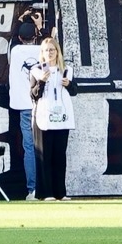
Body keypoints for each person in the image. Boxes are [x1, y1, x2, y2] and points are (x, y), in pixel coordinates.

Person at [27, 36, 74, 201]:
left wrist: (70, 84)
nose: (50, 53)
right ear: (42, 53)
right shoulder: (36, 70)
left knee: (59, 156)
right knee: (44, 156)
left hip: (62, 117)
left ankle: (60, 192)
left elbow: (74, 90)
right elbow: (33, 95)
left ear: (57, 51)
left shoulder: (66, 69)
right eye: (46, 50)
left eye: (52, 49)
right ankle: (45, 193)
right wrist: (41, 82)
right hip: (43, 118)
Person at [5, 17, 44, 201]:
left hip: (25, 106)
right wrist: (40, 28)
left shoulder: (15, 49)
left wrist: (20, 19)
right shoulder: (43, 50)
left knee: (30, 147)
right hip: (42, 104)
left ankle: (33, 190)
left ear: (21, 37)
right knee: (45, 147)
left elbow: (11, 38)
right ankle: (46, 188)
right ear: (35, 36)